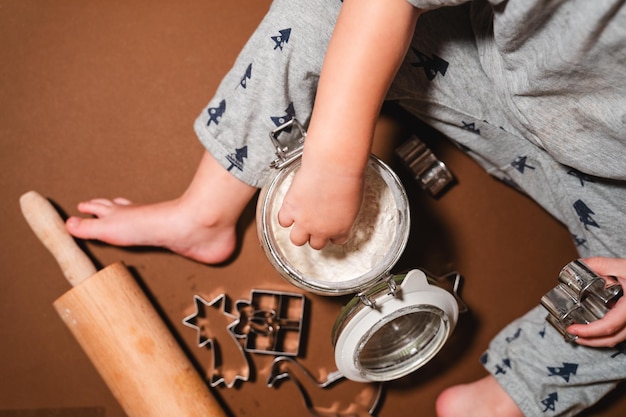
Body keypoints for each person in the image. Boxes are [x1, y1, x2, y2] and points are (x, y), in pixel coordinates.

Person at [65, 0, 626, 416]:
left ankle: (503, 400)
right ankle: (206, 212)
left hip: (614, 200)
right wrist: (334, 160)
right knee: (321, 8)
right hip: (480, 62)